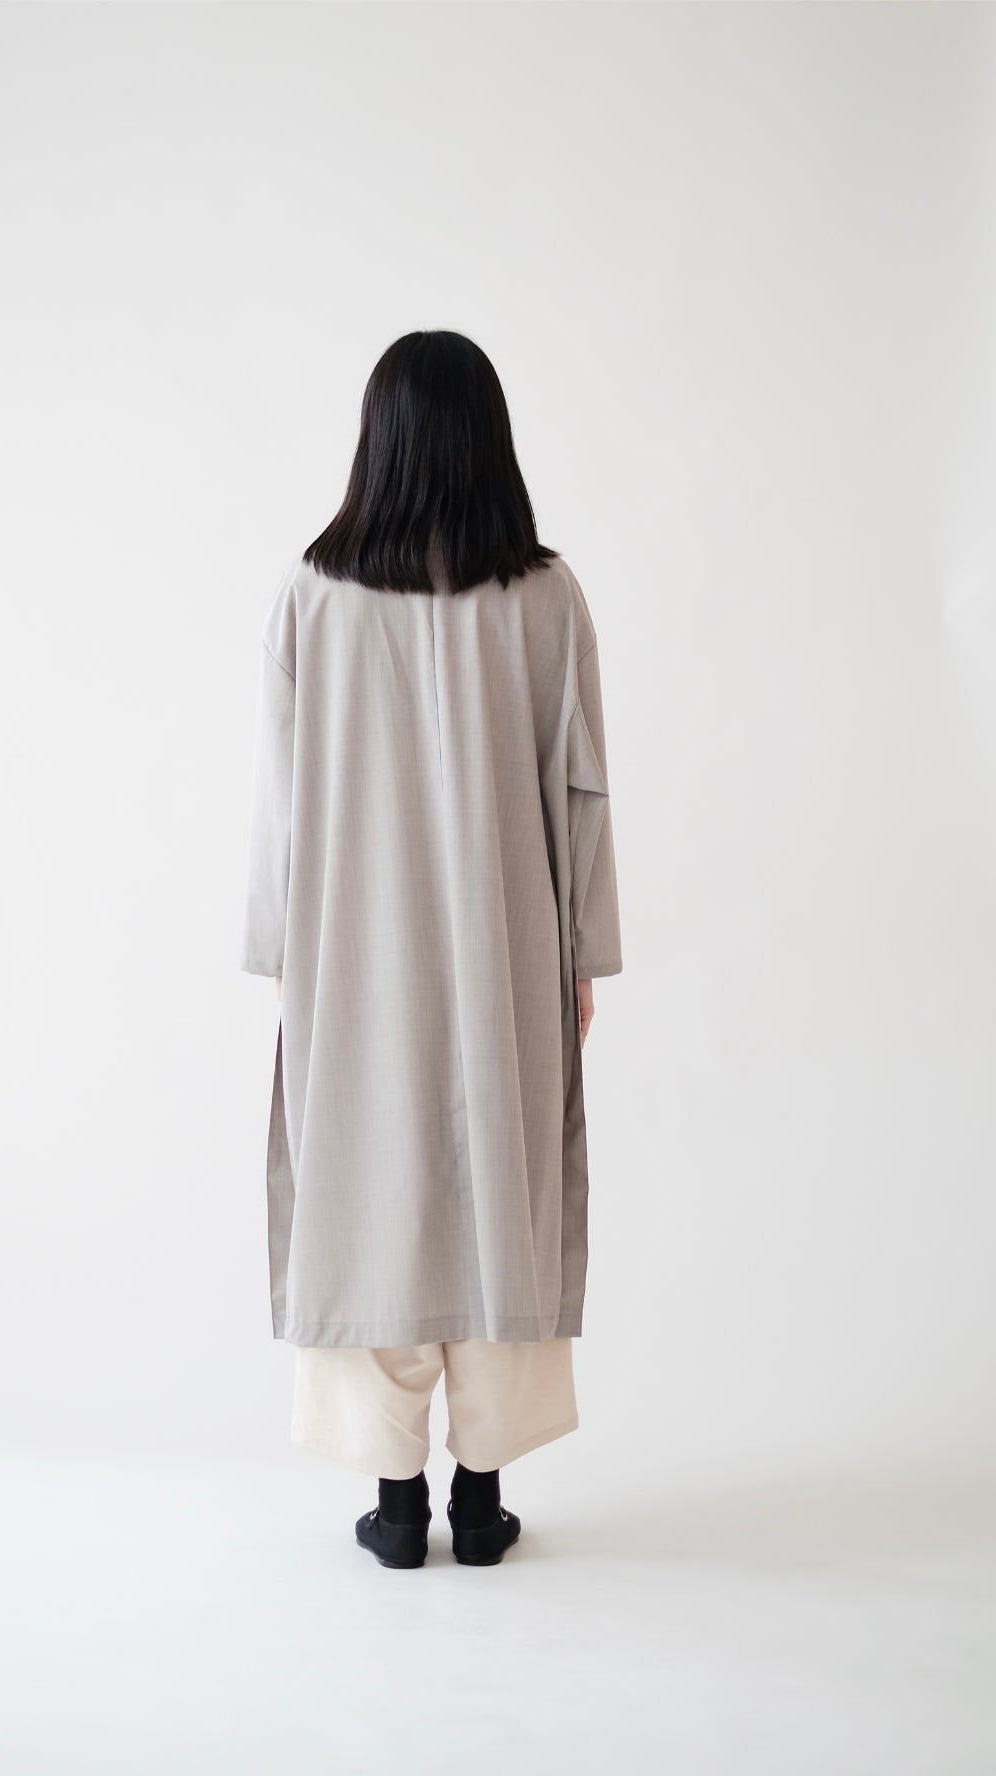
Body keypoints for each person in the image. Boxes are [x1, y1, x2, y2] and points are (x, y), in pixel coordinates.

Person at [240, 330, 622, 1568]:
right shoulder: (545, 596)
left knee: (367, 1188)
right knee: (500, 1189)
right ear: (487, 441)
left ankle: (395, 1505)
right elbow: (580, 790)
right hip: (506, 945)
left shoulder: (313, 595)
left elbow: (280, 802)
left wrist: (283, 953)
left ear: (380, 441)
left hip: (354, 949)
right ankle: (480, 1498)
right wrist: (580, 953)